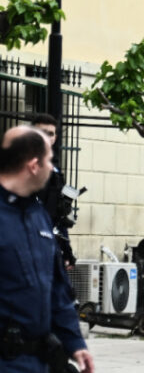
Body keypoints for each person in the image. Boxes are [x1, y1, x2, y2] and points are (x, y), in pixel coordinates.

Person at [0, 126, 94, 373]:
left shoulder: (38, 215)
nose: (54, 168)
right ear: (33, 164)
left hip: (35, 365)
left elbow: (55, 288)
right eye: (50, 160)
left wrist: (74, 342)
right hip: (3, 365)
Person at [30, 113, 76, 269]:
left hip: (48, 247)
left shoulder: (56, 172)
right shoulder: (18, 168)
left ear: (55, 138)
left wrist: (67, 252)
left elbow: (60, 215)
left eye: (50, 134)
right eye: (41, 132)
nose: (46, 138)